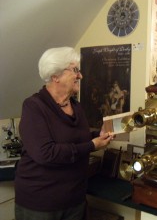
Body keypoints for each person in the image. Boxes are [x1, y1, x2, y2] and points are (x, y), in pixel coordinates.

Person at [14, 47, 114, 220]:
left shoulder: (76, 106)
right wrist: (92, 145)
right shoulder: (34, 107)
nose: (80, 76)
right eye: (75, 70)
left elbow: (77, 139)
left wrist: (99, 134)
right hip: (42, 204)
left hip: (75, 199)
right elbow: (46, 154)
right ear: (55, 76)